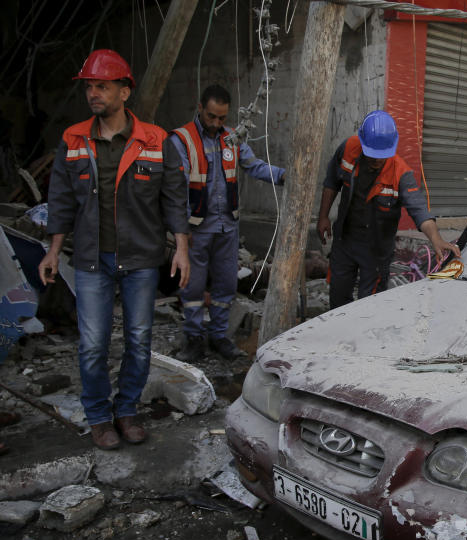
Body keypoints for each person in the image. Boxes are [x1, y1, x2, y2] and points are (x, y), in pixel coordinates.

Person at [38, 50, 190, 450]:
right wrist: (53, 251)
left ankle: (126, 411)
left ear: (124, 91)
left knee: (139, 339)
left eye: (102, 86)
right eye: (89, 86)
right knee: (93, 343)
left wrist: (182, 249)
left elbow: (175, 199)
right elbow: (60, 200)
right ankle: (99, 418)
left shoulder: (156, 140)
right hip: (91, 259)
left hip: (141, 258)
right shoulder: (73, 139)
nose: (93, 93)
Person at [171, 85, 285, 362]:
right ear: (200, 108)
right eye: (211, 117)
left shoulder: (232, 139)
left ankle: (220, 336)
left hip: (227, 226)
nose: (216, 123)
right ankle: (194, 338)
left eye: (222, 118)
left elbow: (254, 165)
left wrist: (284, 175)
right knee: (193, 287)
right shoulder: (182, 140)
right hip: (196, 227)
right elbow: (175, 186)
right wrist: (179, 234)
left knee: (225, 284)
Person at [316, 110, 460, 309]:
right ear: (362, 141)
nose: (376, 161)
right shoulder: (348, 148)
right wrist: (323, 217)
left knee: (370, 305)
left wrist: (436, 239)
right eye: (372, 155)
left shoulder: (401, 173)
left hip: (376, 250)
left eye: (380, 157)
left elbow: (420, 211)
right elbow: (331, 182)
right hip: (345, 241)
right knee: (338, 296)